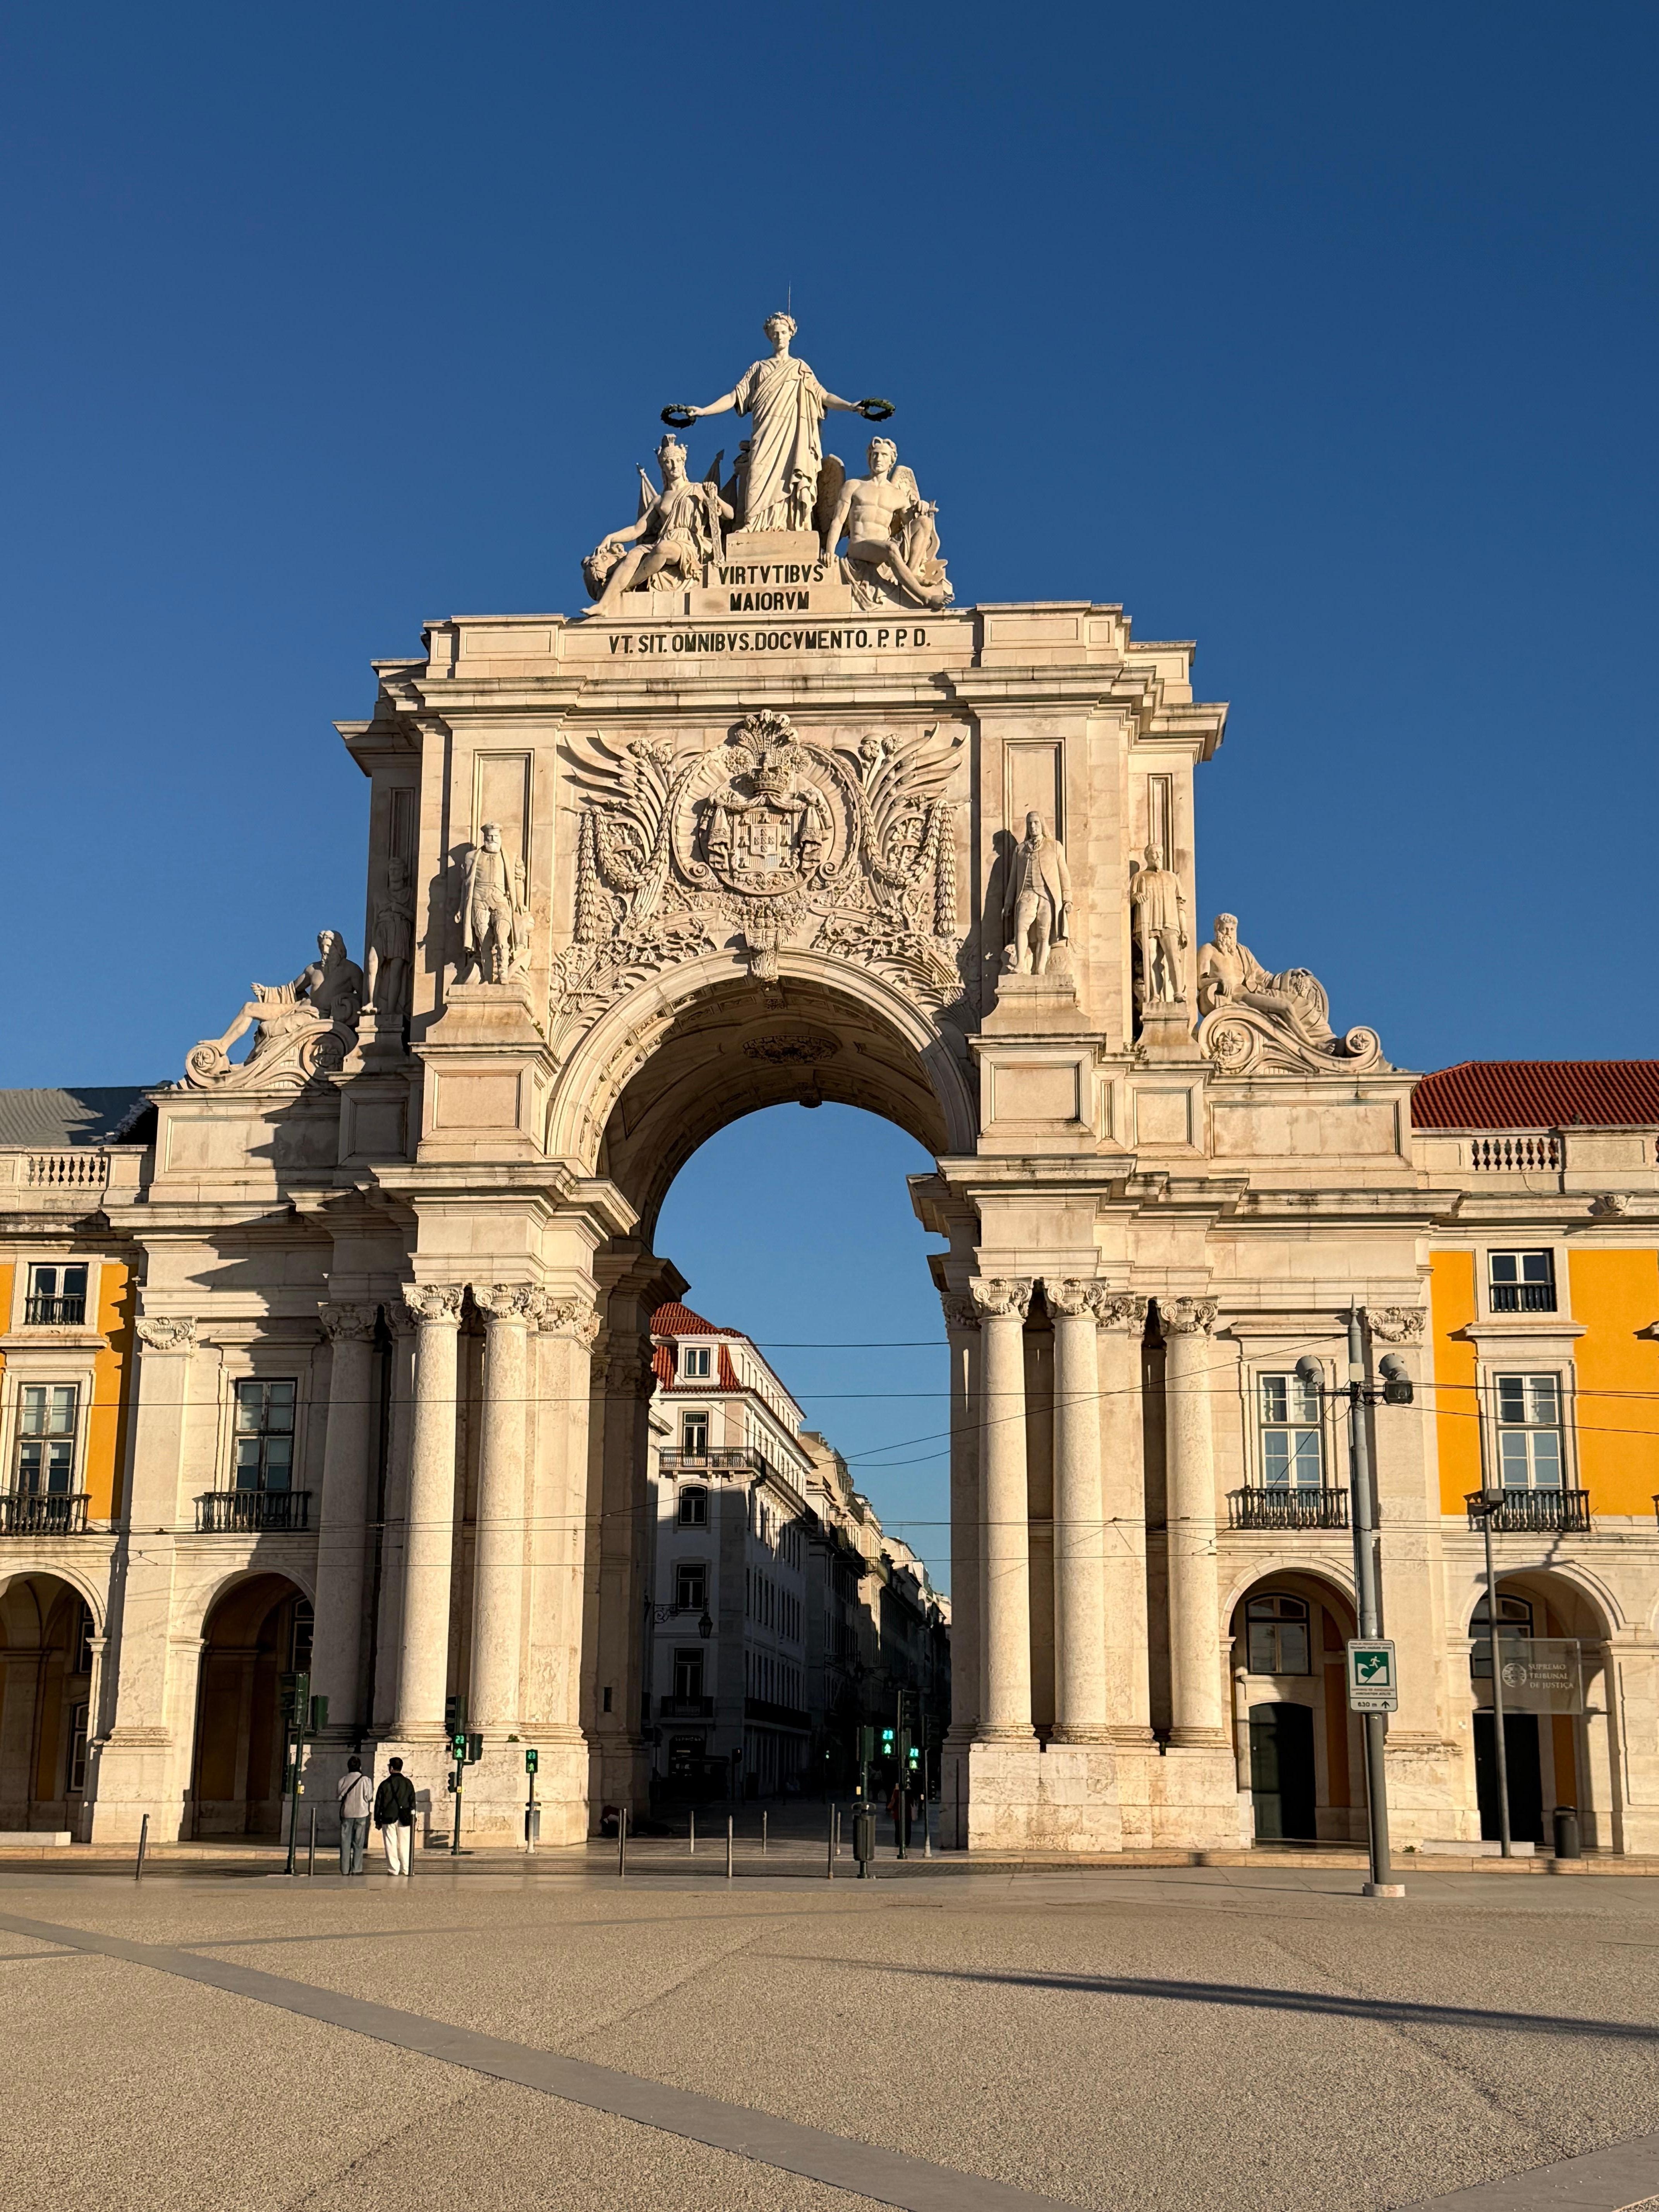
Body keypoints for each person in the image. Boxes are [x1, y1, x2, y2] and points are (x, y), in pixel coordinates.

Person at [668, 312, 867, 532]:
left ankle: (793, 526)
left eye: (783, 333)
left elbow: (823, 396)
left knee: (792, 474)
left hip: (792, 434)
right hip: (765, 432)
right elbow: (735, 396)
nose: (779, 337)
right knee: (757, 473)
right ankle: (753, 524)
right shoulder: (759, 369)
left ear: (791, 335)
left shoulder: (800, 369)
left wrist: (850, 406)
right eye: (775, 334)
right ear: (769, 337)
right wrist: (704, 411)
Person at [1002, 811, 1073, 975]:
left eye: (1036, 823)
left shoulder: (1054, 846)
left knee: (1044, 933)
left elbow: (1064, 875)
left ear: (1042, 824)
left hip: (1047, 896)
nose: (1033, 827)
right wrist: (1008, 902)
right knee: (1020, 927)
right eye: (1030, 824)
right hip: (1026, 894)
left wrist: (1067, 898)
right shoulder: (1020, 850)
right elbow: (1013, 878)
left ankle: (1040, 968)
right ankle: (1020, 963)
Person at [374, 1755, 416, 1875]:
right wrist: (413, 1816)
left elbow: (379, 1803)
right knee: (405, 1843)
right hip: (405, 1817)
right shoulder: (408, 1783)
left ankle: (394, 1869)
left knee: (390, 1843)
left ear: (391, 1768)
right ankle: (407, 1868)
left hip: (388, 1817)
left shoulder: (385, 1784)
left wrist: (378, 1819)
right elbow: (412, 1801)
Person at [337, 1755, 373, 1877]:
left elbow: (339, 1797)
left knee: (345, 1842)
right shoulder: (366, 1780)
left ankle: (345, 1869)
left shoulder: (342, 1780)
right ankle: (357, 1868)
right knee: (359, 1842)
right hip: (361, 1813)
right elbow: (369, 1797)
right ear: (360, 1767)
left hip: (347, 1813)